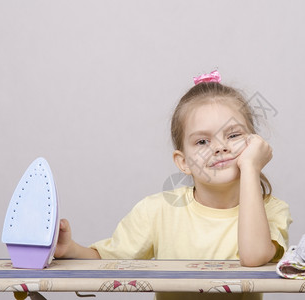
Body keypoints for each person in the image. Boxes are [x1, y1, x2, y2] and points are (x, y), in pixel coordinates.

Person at [54, 71, 292, 299]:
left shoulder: (271, 210)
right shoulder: (156, 212)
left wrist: (251, 167)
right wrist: (71, 250)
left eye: (233, 135)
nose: (220, 147)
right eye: (202, 141)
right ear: (183, 162)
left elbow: (254, 256)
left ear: (255, 144)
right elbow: (108, 260)